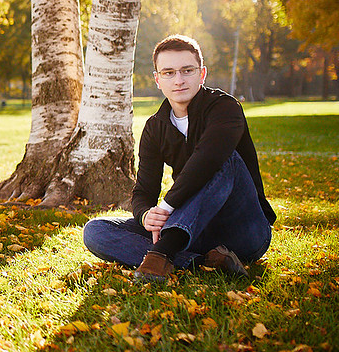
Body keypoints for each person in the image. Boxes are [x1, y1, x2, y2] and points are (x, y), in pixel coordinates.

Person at [83, 35, 276, 282]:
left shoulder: (225, 108)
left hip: (243, 231)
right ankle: (199, 262)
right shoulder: (155, 127)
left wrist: (165, 207)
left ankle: (161, 255)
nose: (179, 80)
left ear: (202, 74)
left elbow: (207, 160)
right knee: (96, 231)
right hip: (193, 232)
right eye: (169, 73)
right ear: (157, 79)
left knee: (225, 159)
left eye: (187, 70)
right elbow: (143, 192)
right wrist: (146, 216)